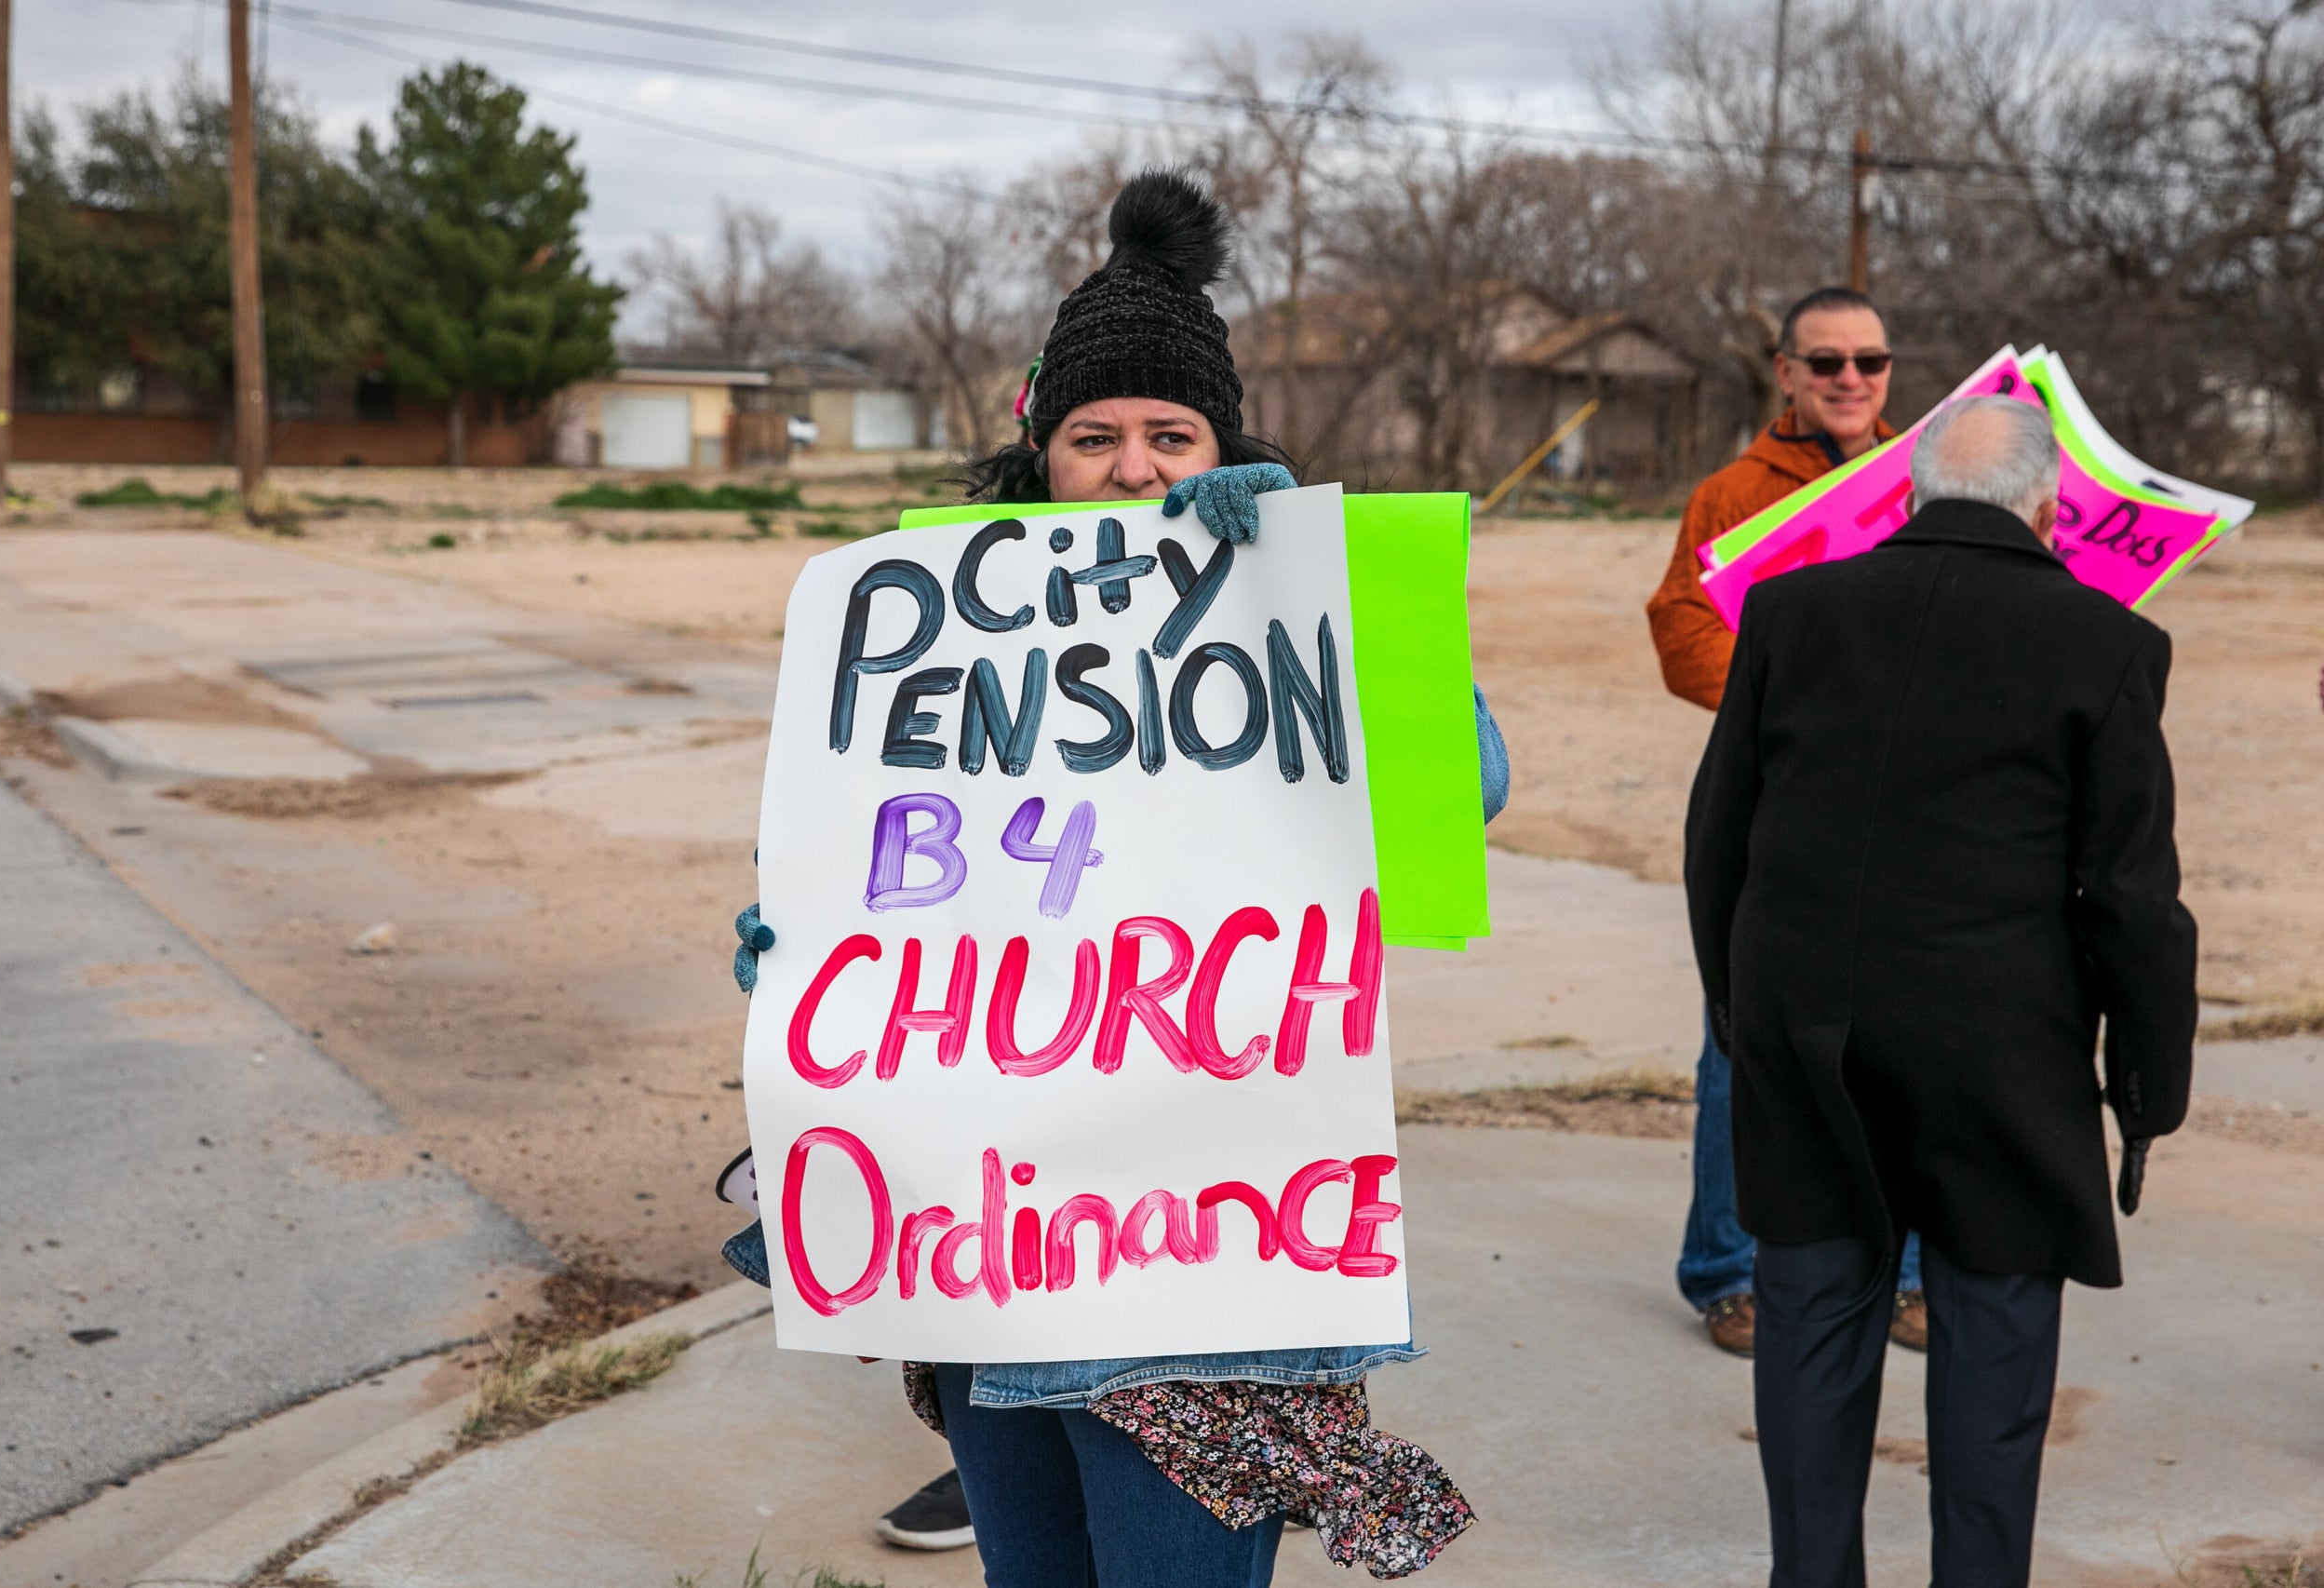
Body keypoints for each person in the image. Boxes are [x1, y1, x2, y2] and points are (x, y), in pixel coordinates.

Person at [727, 168, 1500, 1586]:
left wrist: (1306, 592)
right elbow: (853, 867)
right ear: (1042, 447)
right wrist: (792, 947)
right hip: (990, 1267)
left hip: (1204, 1283)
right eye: (1096, 434)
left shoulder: (1287, 590)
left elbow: (1471, 790)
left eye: (1171, 432)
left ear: (1224, 443)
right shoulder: (935, 633)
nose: (1137, 465)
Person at [1684, 397, 2197, 1588]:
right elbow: (2132, 899)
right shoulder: (2107, 641)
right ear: (2046, 507)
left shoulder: (1790, 610)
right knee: (1995, 1348)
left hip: (1806, 1028)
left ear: (1907, 496)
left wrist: (1734, 1006)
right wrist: (2144, 1087)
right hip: (2002, 1051)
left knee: (1809, 1324)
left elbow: (1719, 832)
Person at [1645, 286, 1925, 1357]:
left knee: (1903, 1043)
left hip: (1906, 817)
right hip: (1771, 807)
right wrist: (1791, 703)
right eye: (1826, 362)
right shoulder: (1730, 494)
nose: (1849, 378)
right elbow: (1678, 627)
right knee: (1741, 1039)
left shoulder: (1931, 481)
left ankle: (1904, 1269)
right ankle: (1728, 1269)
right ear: (1785, 371)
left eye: (1869, 359)